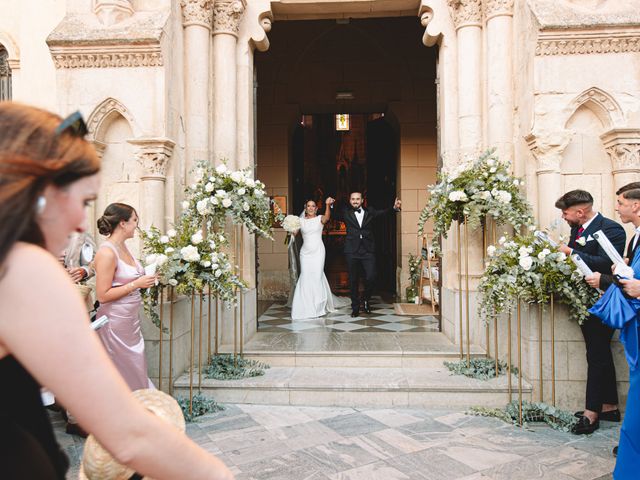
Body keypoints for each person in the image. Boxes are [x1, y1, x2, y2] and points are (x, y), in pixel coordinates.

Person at [0, 102, 233, 479]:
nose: (80, 220)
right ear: (38, 195)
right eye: (80, 200)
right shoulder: (24, 270)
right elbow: (128, 434)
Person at [556, 189, 626, 434]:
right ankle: (609, 406)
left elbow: (608, 264)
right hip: (585, 300)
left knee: (595, 355)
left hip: (604, 299)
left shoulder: (612, 229)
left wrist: (570, 252)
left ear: (580, 212)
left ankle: (591, 413)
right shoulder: (578, 229)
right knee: (598, 352)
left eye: (566, 213)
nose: (564, 217)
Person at [95, 203, 156, 391]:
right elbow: (103, 295)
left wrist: (148, 277)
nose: (136, 226)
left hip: (130, 323)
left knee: (135, 368)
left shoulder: (123, 247)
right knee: (122, 371)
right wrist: (136, 284)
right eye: (134, 220)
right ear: (123, 223)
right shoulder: (107, 252)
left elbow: (126, 277)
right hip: (114, 324)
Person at [337, 192, 401, 317]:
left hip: (367, 250)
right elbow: (331, 215)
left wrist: (393, 208)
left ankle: (365, 299)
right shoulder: (346, 212)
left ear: (362, 200)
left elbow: (382, 213)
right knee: (353, 279)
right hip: (352, 250)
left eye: (357, 199)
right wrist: (329, 205)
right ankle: (355, 307)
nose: (355, 201)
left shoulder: (369, 211)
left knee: (371, 276)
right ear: (350, 201)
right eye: (353, 199)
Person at [290, 197, 349, 319]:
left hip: (318, 252)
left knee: (317, 277)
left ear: (316, 209)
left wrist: (327, 205)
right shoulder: (300, 221)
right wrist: (290, 228)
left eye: (313, 206)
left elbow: (327, 218)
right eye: (308, 206)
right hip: (305, 253)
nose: (310, 208)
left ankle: (318, 306)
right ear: (305, 209)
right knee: (305, 276)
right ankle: (303, 306)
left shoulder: (319, 219)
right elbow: (295, 234)